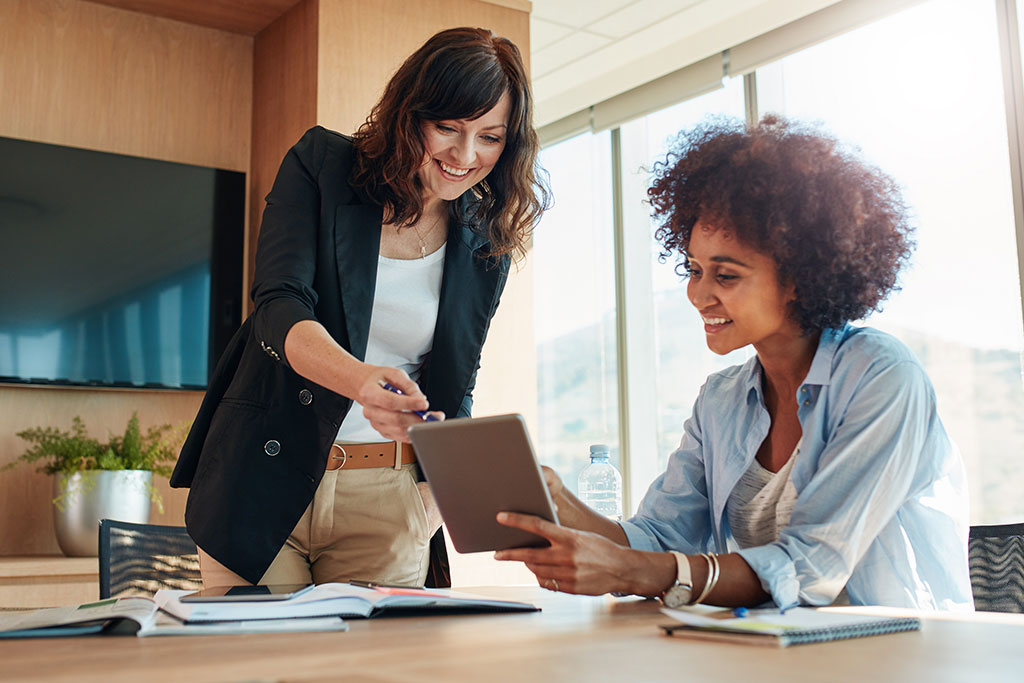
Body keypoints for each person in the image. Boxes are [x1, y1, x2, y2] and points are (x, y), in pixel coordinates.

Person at [496, 115, 973, 610]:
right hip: (777, 651)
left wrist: (633, 570)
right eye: (694, 269)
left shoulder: (881, 377)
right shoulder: (722, 401)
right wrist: (563, 507)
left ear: (799, 278)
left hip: (904, 655)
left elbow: (809, 569)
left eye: (725, 275)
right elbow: (662, 540)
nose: (698, 294)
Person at [170, 27, 549, 589]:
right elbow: (278, 307)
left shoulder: (482, 242)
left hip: (388, 501)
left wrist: (430, 506)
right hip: (262, 477)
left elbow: (453, 385)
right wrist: (360, 380)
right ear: (410, 114)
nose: (465, 156)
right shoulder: (323, 167)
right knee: (253, 666)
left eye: (489, 137)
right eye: (446, 127)